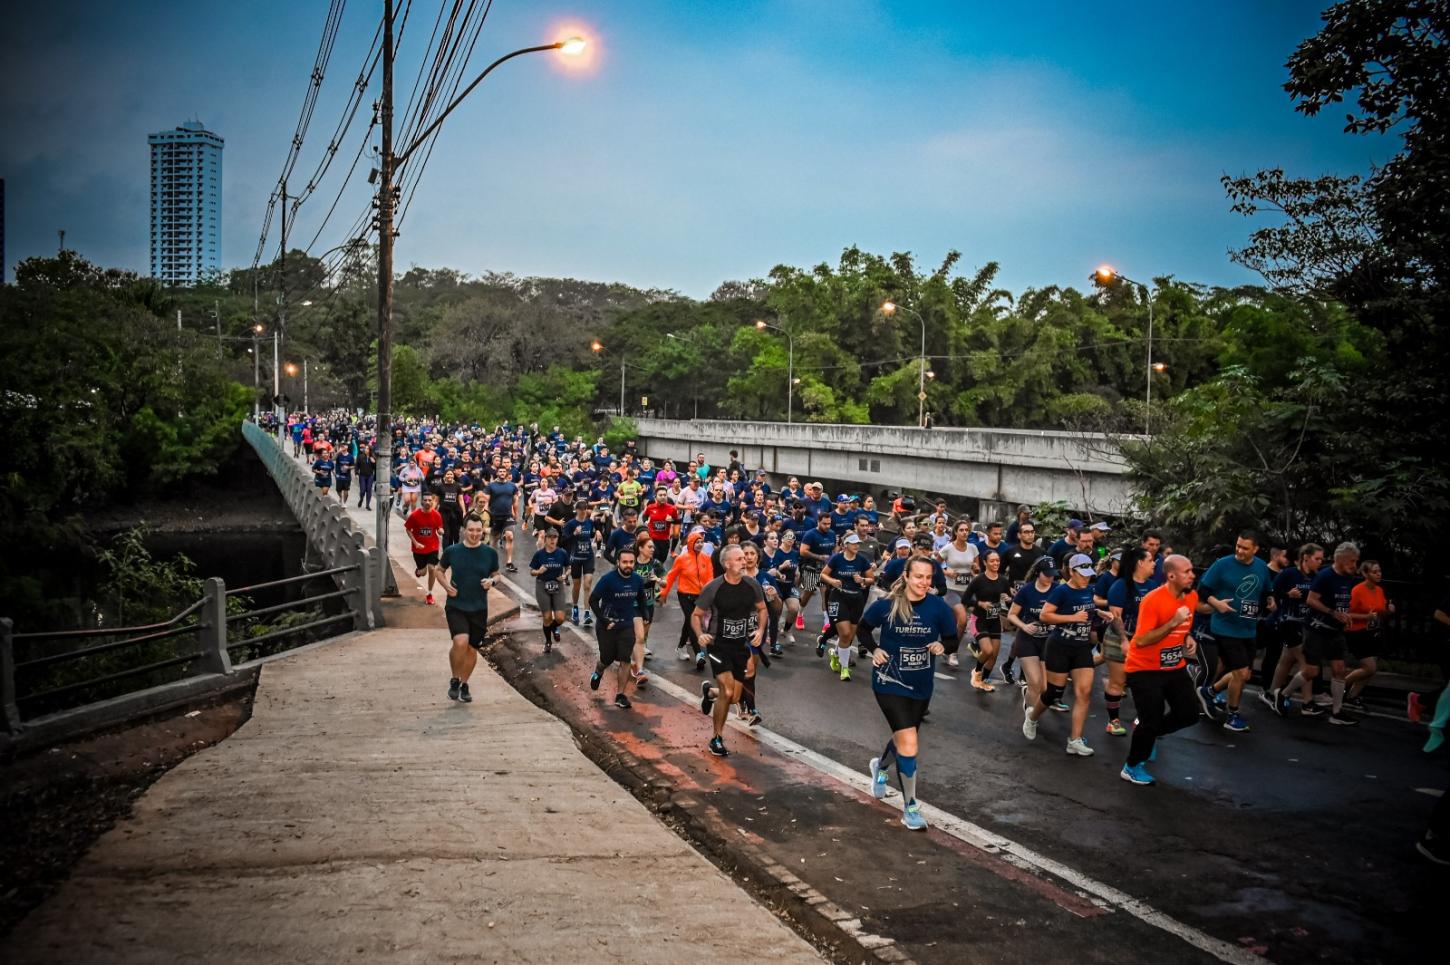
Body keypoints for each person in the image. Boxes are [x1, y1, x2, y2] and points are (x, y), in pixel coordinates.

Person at [859, 556, 959, 831]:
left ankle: (880, 767)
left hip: (921, 685)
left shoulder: (939, 608)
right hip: (888, 680)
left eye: (928, 578)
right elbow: (863, 629)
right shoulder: (887, 605)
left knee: (905, 740)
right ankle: (911, 807)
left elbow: (953, 639)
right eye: (919, 577)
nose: (924, 583)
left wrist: (942, 646)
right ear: (906, 576)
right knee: (910, 743)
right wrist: (874, 649)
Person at [1119, 554, 1201, 786]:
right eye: (1187, 572)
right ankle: (1132, 766)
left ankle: (1148, 732)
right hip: (1144, 668)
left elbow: (1183, 626)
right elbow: (1143, 640)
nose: (1192, 575)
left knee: (1189, 714)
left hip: (1174, 666)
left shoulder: (1192, 597)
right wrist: (1173, 623)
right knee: (1150, 720)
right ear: (1171, 575)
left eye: (1192, 570)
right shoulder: (1153, 600)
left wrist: (1187, 636)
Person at [1026, 553, 1109, 756]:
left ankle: (1075, 740)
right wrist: (1072, 617)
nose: (1087, 578)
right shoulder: (1061, 591)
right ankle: (1032, 717)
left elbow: (1086, 609)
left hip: (1081, 647)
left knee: (1084, 692)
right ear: (1071, 572)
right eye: (1082, 574)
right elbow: (1045, 615)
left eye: (1089, 574)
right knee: (1054, 692)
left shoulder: (1089, 590)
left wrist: (1099, 613)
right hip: (1059, 646)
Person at [1195, 530, 1275, 732]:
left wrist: (1270, 599)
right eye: (1238, 546)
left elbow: (1266, 589)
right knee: (1240, 672)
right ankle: (1233, 715)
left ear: (1255, 549)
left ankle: (1209, 692)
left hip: (1248, 629)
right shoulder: (1223, 564)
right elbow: (1203, 590)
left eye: (1245, 548)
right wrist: (1216, 604)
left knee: (1245, 675)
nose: (1239, 550)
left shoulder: (1260, 567)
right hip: (1224, 626)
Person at [695, 545, 768, 757]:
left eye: (745, 558)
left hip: (740, 647)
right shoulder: (713, 587)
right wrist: (700, 634)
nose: (744, 561)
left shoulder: (752, 585)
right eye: (739, 558)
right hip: (718, 645)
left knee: (734, 697)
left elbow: (762, 609)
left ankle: (710, 693)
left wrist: (761, 630)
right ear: (727, 564)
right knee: (727, 691)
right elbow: (696, 614)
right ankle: (716, 738)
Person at [1296, 541, 1367, 726]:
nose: (1355, 565)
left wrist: (1344, 616)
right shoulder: (1324, 576)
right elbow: (1312, 600)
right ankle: (1286, 695)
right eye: (1352, 561)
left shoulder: (1348, 577)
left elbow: (1341, 603)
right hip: (1314, 627)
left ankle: (1335, 711)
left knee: (1339, 669)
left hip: (1334, 630)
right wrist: (1332, 613)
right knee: (1308, 669)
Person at [438, 515, 501, 704]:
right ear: (464, 530)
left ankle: (464, 684)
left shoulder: (490, 553)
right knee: (460, 642)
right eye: (471, 530)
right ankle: (455, 678)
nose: (474, 534)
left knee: (472, 649)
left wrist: (492, 581)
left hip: (479, 607)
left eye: (478, 530)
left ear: (483, 531)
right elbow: (439, 570)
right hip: (456, 605)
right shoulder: (453, 551)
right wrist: (446, 586)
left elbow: (498, 575)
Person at [1103, 547, 1160, 737]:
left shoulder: (1153, 586)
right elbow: (1116, 617)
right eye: (1151, 560)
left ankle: (1142, 721)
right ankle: (1113, 721)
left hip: (1144, 641)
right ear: (1139, 563)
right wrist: (1124, 641)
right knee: (1118, 682)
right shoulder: (1120, 586)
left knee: (1146, 684)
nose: (1154, 563)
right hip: (1119, 639)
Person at [1265, 543, 1325, 716]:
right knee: (1306, 662)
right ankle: (1307, 703)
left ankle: (1271, 692)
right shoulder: (1289, 573)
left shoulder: (1317, 577)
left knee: (1287, 659)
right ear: (1305, 557)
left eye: (1321, 559)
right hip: (1288, 622)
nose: (1320, 562)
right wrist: (1287, 595)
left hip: (1305, 624)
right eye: (1317, 558)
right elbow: (1271, 592)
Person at [587, 546, 648, 710]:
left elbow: (641, 598)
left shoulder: (636, 580)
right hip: (607, 627)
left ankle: (621, 695)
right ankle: (599, 671)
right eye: (625, 562)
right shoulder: (608, 579)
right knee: (606, 658)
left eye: (631, 562)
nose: (628, 565)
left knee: (625, 659)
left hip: (626, 625)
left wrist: (645, 615)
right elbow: (593, 600)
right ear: (618, 563)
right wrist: (605, 620)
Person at [820, 532, 877, 682]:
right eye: (853, 543)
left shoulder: (862, 560)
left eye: (858, 543)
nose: (857, 545)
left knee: (850, 636)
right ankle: (844, 668)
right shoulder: (837, 558)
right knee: (844, 633)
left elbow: (872, 579)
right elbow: (823, 574)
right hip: (839, 597)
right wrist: (832, 582)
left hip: (856, 598)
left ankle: (835, 654)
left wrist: (863, 579)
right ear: (846, 545)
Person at [1007, 557, 1058, 718]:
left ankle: (1028, 697)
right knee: (1035, 683)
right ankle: (1030, 718)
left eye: (1053, 574)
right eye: (1047, 574)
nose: (1050, 577)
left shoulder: (1058, 589)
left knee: (1044, 688)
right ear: (1037, 573)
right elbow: (1011, 615)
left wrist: (1056, 623)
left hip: (1048, 641)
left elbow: (1064, 613)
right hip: (1027, 639)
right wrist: (1024, 626)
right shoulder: (1027, 590)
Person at [661, 528, 717, 670]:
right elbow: (671, 576)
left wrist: (711, 594)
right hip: (684, 594)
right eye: (697, 542)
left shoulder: (706, 558)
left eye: (701, 542)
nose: (699, 544)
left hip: (700, 595)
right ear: (691, 543)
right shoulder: (682, 558)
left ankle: (680, 647)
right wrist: (664, 593)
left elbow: (710, 577)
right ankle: (699, 653)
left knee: (689, 621)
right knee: (693, 619)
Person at [1344, 560, 1393, 709]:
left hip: (1373, 632)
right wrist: (1366, 618)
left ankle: (1352, 696)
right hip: (1356, 632)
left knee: (1371, 669)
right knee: (1369, 668)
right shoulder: (1357, 590)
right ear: (1365, 574)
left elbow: (1380, 613)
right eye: (1374, 571)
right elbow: (1347, 614)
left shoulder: (1379, 590)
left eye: (1379, 571)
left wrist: (1388, 610)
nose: (1378, 574)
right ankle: (1339, 685)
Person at [963, 550, 1011, 692]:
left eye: (997, 560)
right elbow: (965, 599)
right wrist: (980, 604)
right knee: (987, 650)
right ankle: (976, 672)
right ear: (985, 562)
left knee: (994, 655)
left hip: (994, 620)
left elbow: (1009, 603)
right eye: (992, 561)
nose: (995, 563)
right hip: (978, 620)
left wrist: (1009, 599)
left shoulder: (1003, 580)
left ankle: (983, 681)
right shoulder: (979, 580)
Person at [529, 528, 571, 653]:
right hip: (542, 585)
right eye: (550, 537)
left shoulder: (562, 553)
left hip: (557, 585)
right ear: (545, 539)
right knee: (547, 617)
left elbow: (569, 567)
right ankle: (548, 642)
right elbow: (531, 571)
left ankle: (553, 628)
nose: (553, 540)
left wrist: (564, 576)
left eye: (555, 537)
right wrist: (538, 571)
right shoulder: (539, 554)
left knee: (560, 618)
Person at [561, 501, 599, 627]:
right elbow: (563, 540)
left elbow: (592, 534)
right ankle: (575, 608)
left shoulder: (589, 522)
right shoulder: (571, 524)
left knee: (587, 584)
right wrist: (574, 534)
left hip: (588, 556)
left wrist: (597, 534)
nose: (583, 514)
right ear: (576, 510)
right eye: (581, 511)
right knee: (576, 585)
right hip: (576, 557)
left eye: (585, 511)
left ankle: (587, 613)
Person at [405, 492, 445, 606]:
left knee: (432, 569)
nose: (427, 502)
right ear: (421, 502)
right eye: (425, 500)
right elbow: (408, 529)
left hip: (432, 546)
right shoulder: (415, 515)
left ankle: (429, 594)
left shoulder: (436, 515)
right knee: (423, 573)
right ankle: (419, 571)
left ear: (433, 502)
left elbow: (439, 528)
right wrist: (415, 542)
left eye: (429, 500)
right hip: (418, 548)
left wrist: (440, 531)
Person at [483, 467, 520, 573]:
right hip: (494, 516)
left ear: (507, 473)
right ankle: (492, 562)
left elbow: (515, 501)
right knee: (493, 540)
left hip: (508, 515)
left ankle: (509, 562)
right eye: (500, 471)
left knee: (510, 536)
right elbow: (486, 501)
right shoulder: (491, 486)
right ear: (497, 473)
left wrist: (516, 514)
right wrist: (486, 515)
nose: (502, 473)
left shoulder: (512, 486)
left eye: (504, 471)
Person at [355, 444, 376, 510]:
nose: (365, 450)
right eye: (365, 448)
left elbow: (376, 468)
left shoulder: (373, 457)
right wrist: (356, 473)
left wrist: (374, 462)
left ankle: (367, 505)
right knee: (362, 490)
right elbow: (357, 465)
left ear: (370, 450)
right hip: (362, 475)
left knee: (369, 490)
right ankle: (361, 499)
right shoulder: (360, 456)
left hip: (370, 475)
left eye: (367, 449)